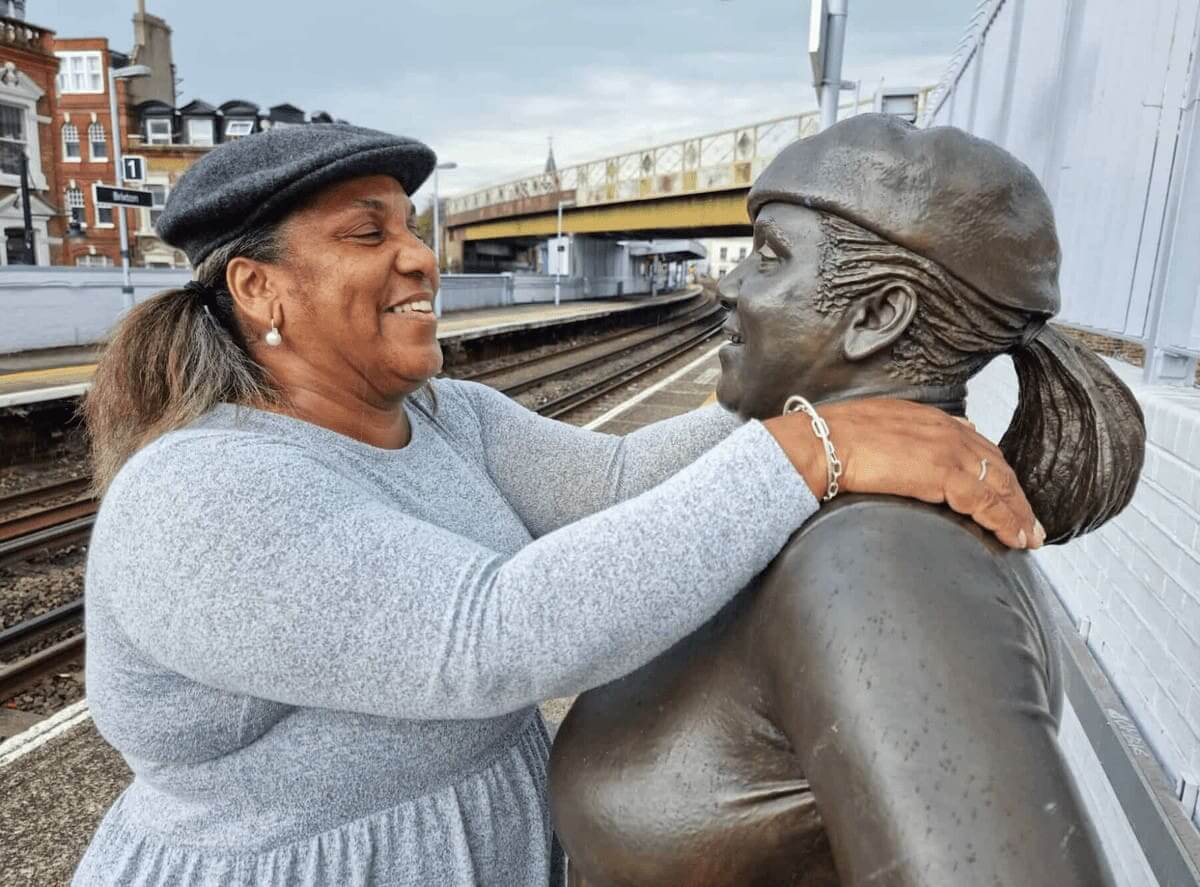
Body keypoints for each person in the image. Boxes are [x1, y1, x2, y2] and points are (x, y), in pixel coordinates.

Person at [74, 123, 1041, 887]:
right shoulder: (196, 496)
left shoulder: (446, 417)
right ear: (258, 288)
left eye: (410, 226)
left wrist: (794, 385)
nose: (418, 257)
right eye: (368, 233)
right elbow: (487, 636)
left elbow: (619, 487)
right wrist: (809, 451)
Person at [549, 114, 1144, 887]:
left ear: (877, 315)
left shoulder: (880, 564)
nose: (728, 284)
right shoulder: (819, 505)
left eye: (769, 258)